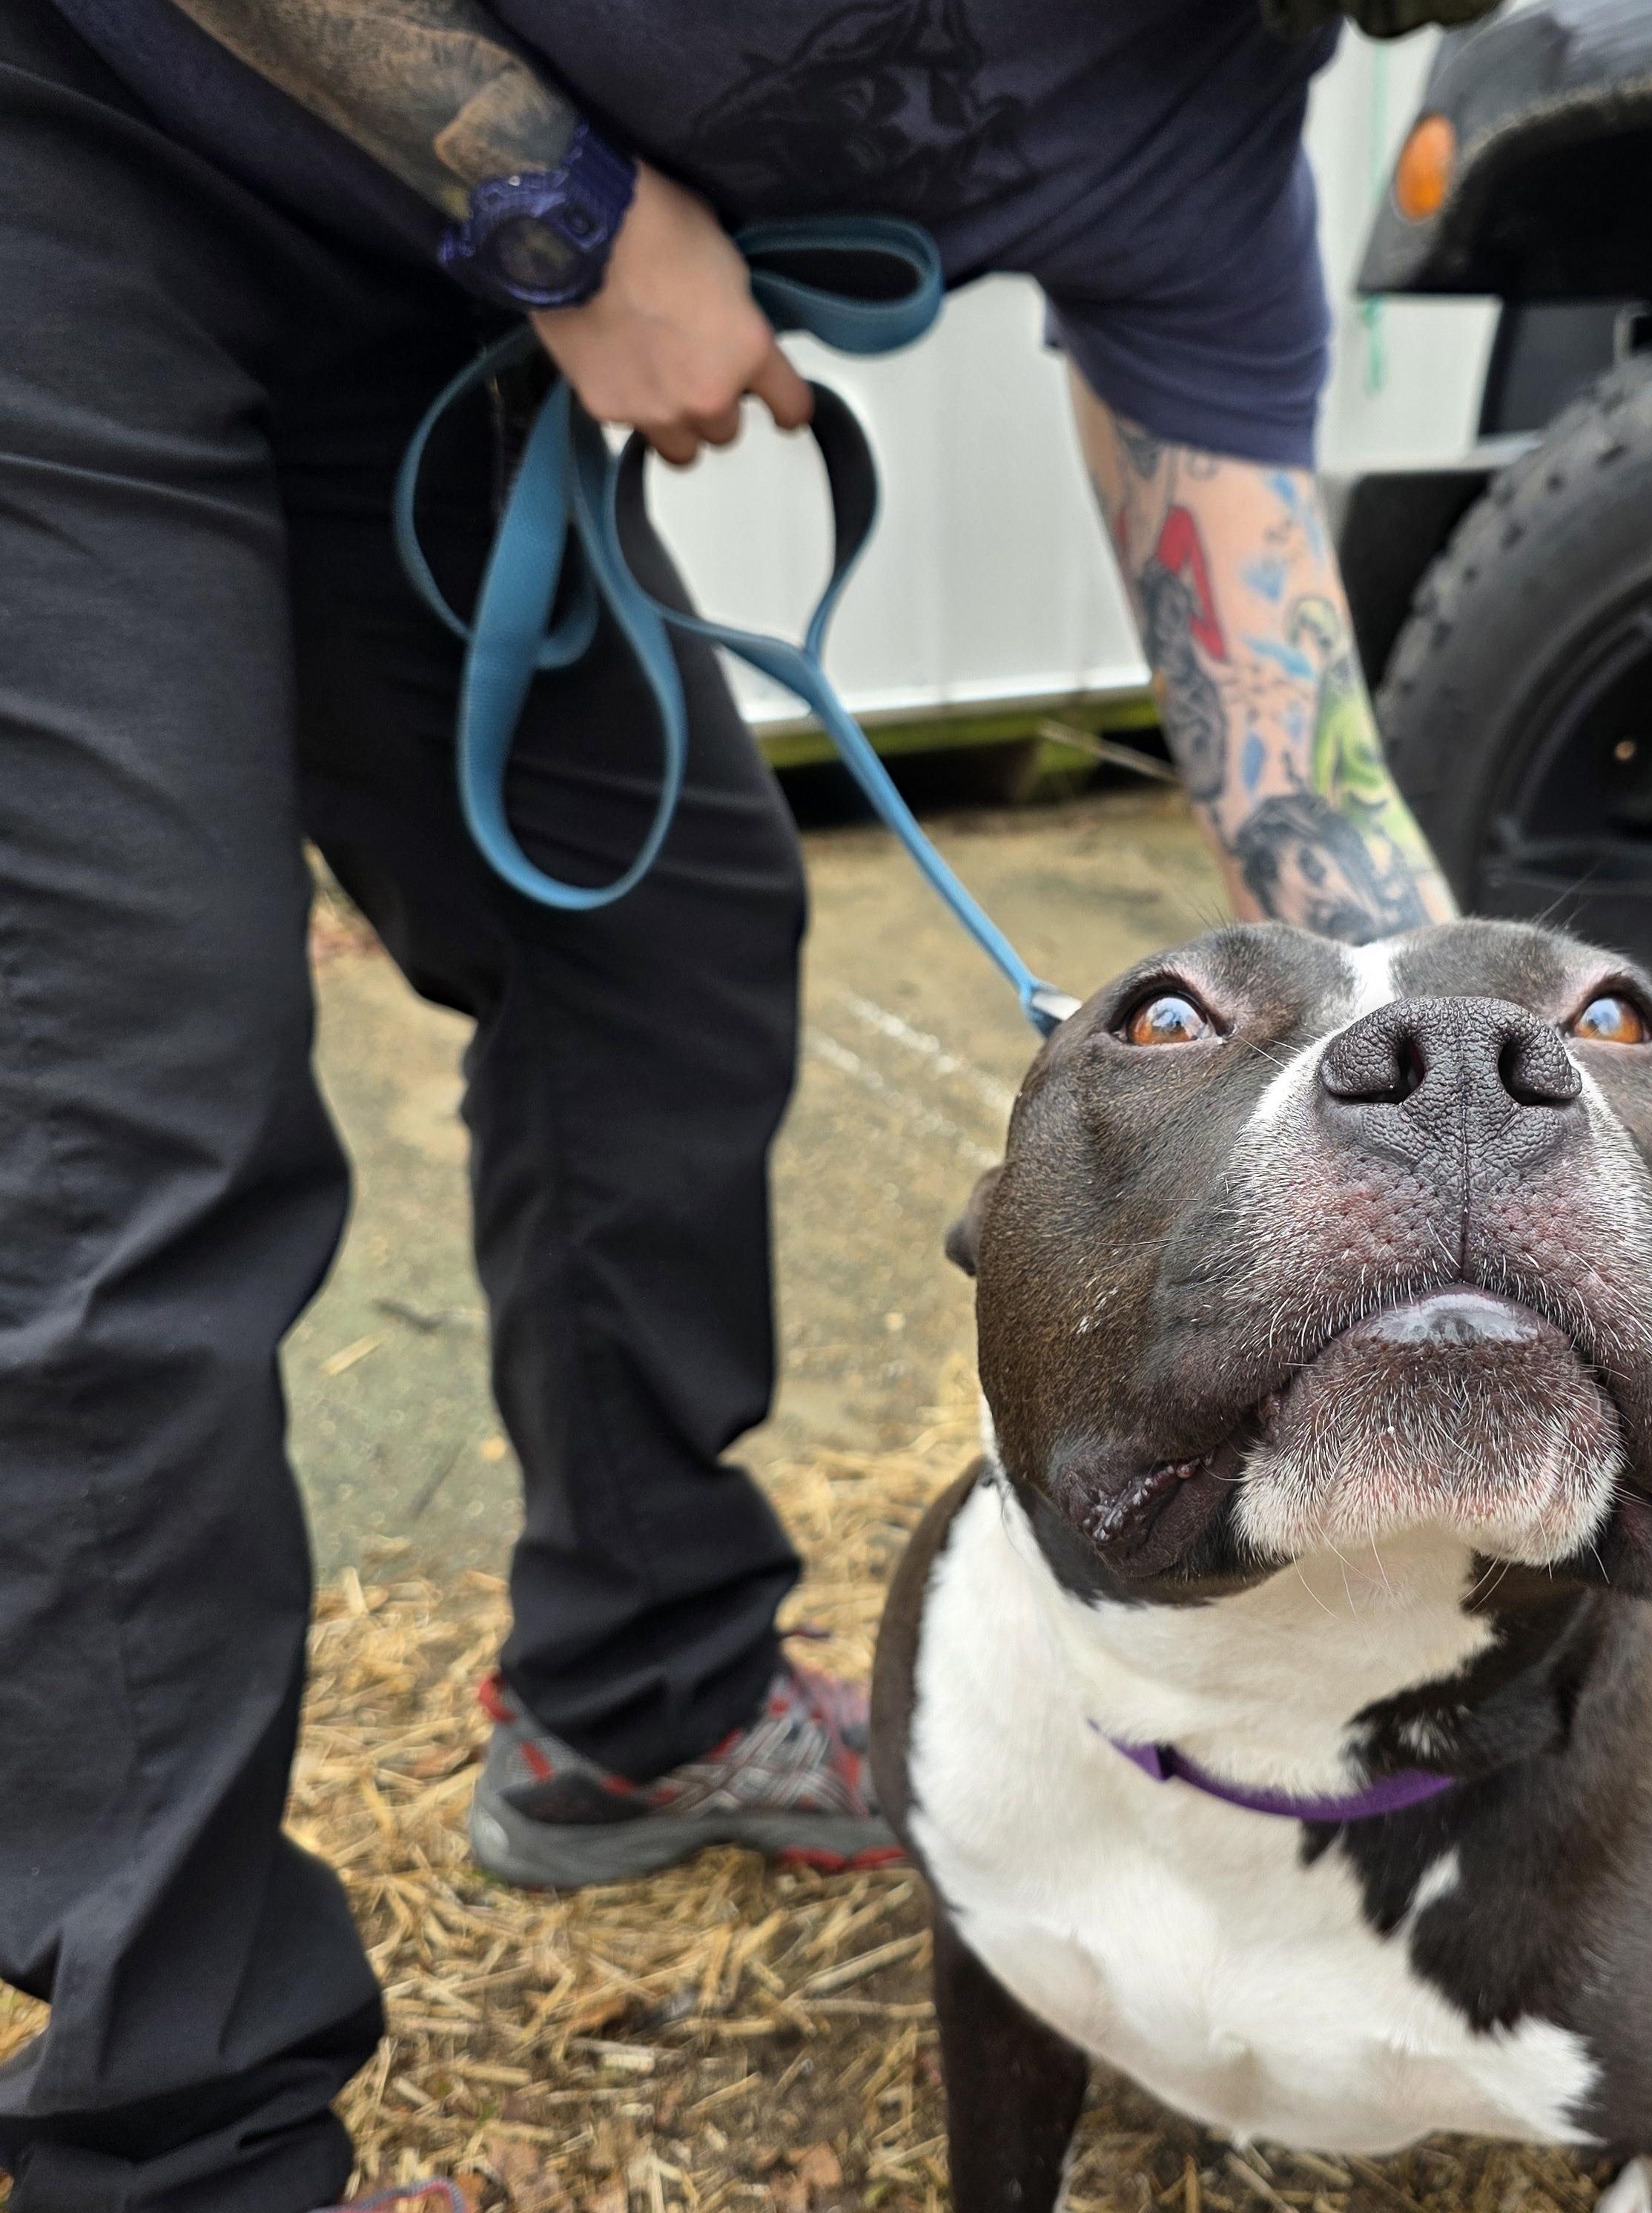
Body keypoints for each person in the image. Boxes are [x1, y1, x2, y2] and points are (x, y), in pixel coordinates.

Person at [0, 4, 1476, 2209]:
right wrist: (568, 207)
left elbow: (1298, 759)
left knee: (665, 938)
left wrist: (1558, 1209)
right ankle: (182, 2155)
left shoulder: (1207, 128)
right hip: (71, 155)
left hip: (418, 322)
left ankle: (640, 1705)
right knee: (135, 1142)